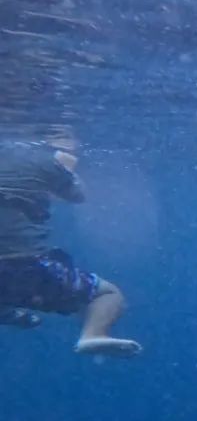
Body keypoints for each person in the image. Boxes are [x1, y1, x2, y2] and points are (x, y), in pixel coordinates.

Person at [0, 139, 141, 357]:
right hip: (24, 267)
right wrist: (66, 169)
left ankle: (6, 311)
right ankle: (93, 334)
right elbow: (78, 195)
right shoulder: (44, 159)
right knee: (107, 294)